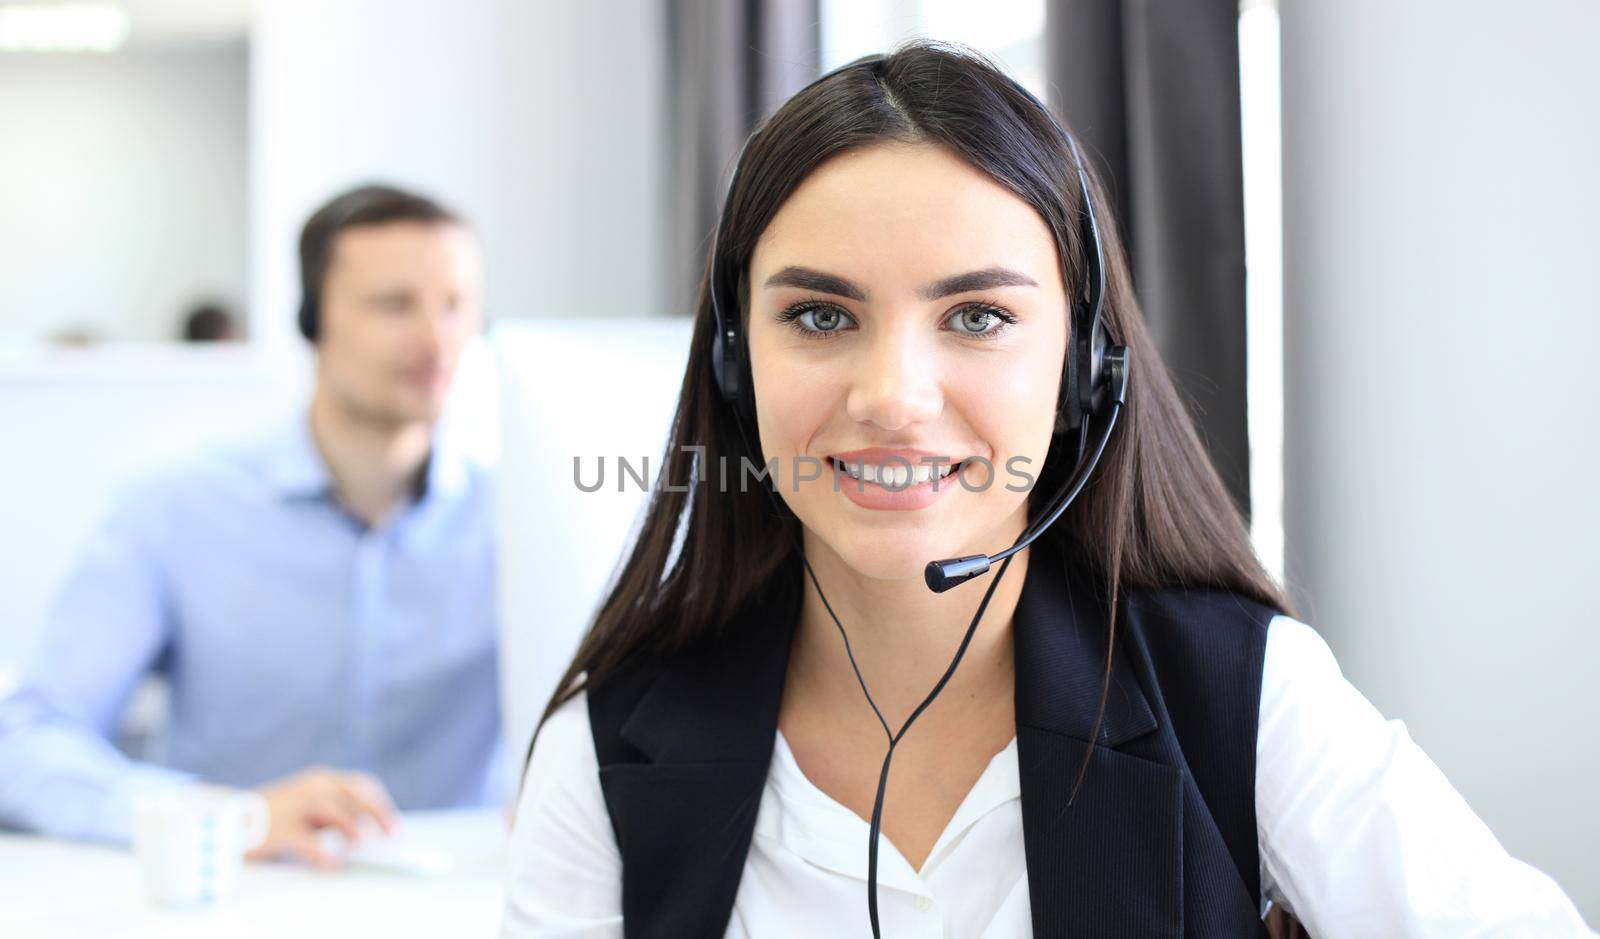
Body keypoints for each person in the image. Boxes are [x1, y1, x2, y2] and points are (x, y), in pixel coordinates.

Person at [500, 44, 1594, 938]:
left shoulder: (1245, 699)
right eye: (821, 317)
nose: (892, 396)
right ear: (737, 364)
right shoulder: (610, 751)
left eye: (976, 317)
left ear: (1084, 370)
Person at [0, 184, 504, 869]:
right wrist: (227, 818)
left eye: (455, 305)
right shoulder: (176, 509)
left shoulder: (519, 524)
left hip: (463, 904)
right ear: (312, 319)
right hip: (242, 899)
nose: (436, 338)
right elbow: (26, 742)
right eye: (395, 304)